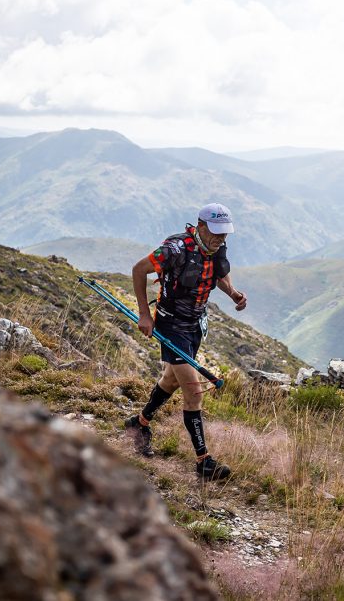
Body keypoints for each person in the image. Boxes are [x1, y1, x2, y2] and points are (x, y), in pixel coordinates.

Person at [123, 203, 248, 481]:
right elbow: (139, 269)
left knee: (171, 379)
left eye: (224, 234)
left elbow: (220, 274)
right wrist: (145, 314)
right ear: (200, 226)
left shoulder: (217, 249)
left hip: (195, 325)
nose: (220, 239)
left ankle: (139, 424)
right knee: (193, 391)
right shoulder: (175, 249)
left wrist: (233, 294)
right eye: (215, 233)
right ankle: (204, 462)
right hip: (170, 326)